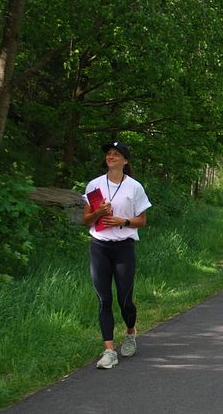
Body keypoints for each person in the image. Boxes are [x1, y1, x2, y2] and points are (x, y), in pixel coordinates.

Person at [82, 141, 152, 369]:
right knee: (104, 299)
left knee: (125, 301)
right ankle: (109, 351)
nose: (111, 157)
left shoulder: (134, 187)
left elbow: (142, 221)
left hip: (124, 247)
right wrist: (99, 213)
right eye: (109, 154)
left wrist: (124, 221)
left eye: (116, 155)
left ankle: (130, 332)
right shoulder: (94, 185)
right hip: (99, 245)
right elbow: (85, 220)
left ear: (125, 161)